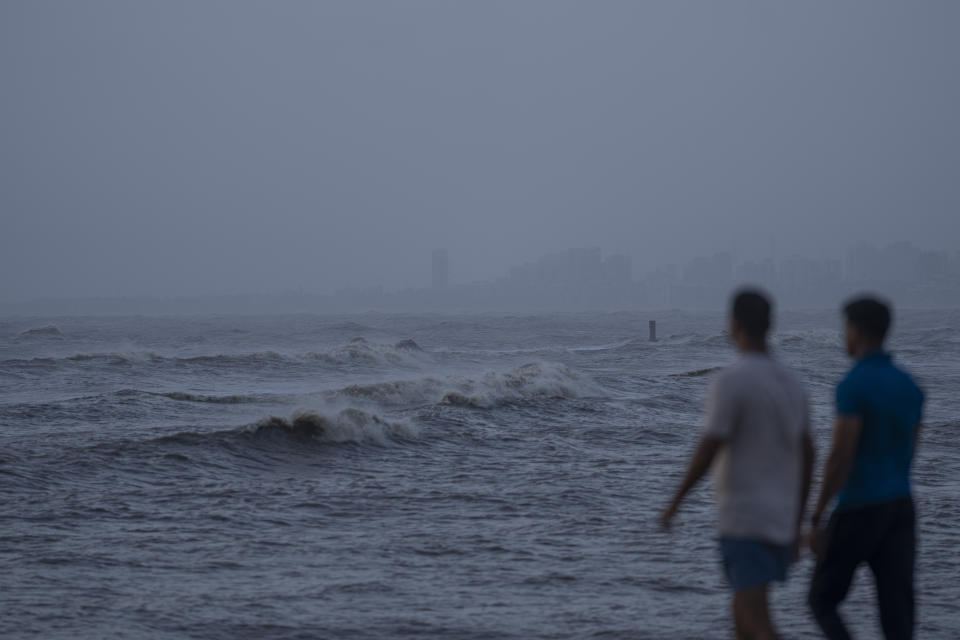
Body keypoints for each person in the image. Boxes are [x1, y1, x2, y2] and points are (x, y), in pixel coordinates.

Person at [661, 289, 815, 640]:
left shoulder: (731, 381)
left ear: (733, 325)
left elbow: (708, 447)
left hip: (745, 517)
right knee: (743, 615)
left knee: (752, 613)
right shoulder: (793, 382)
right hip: (781, 515)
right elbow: (809, 453)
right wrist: (798, 518)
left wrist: (675, 502)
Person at [807, 297, 924, 640]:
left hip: (860, 506)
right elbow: (910, 450)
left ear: (855, 331)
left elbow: (841, 454)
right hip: (902, 507)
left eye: (845, 328)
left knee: (822, 600)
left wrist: (816, 516)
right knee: (897, 614)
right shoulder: (910, 386)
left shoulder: (854, 384)